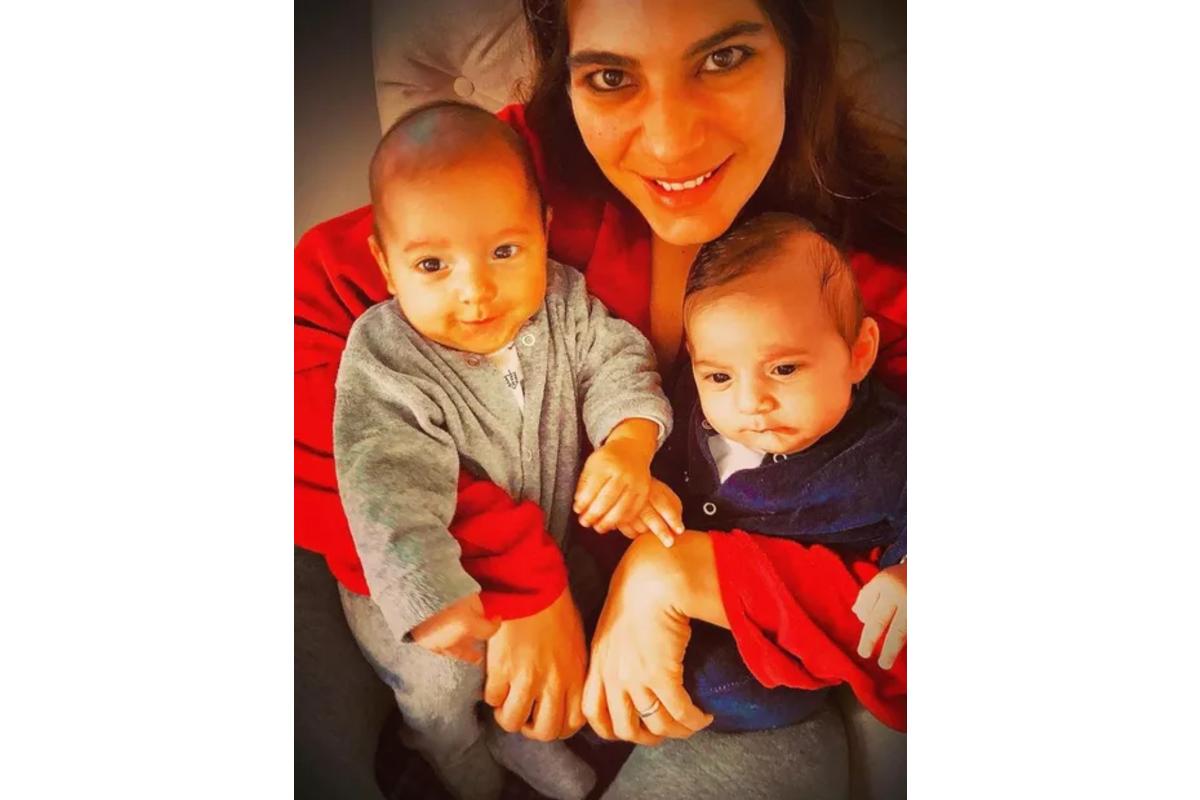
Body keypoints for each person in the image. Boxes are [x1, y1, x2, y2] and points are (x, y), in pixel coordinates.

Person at [295, 0, 907, 796]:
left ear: (794, 50)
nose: (670, 142)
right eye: (613, 77)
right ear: (568, 75)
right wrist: (519, 576)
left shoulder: (861, 281)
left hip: (712, 668)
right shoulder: (501, 182)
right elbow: (306, 339)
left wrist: (684, 572)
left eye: (723, 59)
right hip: (452, 580)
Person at [333, 101, 686, 800]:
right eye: (432, 264)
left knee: (586, 607)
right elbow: (383, 478)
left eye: (504, 251)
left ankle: (520, 730)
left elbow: (617, 361)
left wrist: (628, 442)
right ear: (386, 265)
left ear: (544, 232)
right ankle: (452, 754)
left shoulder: (563, 303)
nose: (476, 291)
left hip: (542, 548)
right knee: (441, 688)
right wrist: (426, 590)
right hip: (420, 579)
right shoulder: (383, 353)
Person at [624, 212, 907, 734]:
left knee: (718, 683)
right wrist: (645, 490)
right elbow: (662, 453)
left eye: (784, 369)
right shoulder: (692, 405)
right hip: (671, 591)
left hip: (773, 644)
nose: (751, 401)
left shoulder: (886, 446)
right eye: (719, 376)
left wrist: (908, 573)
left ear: (859, 353)